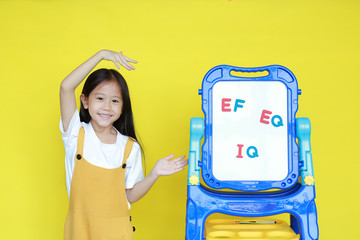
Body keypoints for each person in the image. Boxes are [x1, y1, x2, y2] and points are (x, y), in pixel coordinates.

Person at [59, 49, 188, 240]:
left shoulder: (129, 147)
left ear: (122, 107)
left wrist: (155, 174)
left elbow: (130, 195)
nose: (107, 107)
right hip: (79, 230)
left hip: (117, 233)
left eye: (115, 101)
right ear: (85, 101)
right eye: (100, 98)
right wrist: (101, 55)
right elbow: (66, 87)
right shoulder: (75, 134)